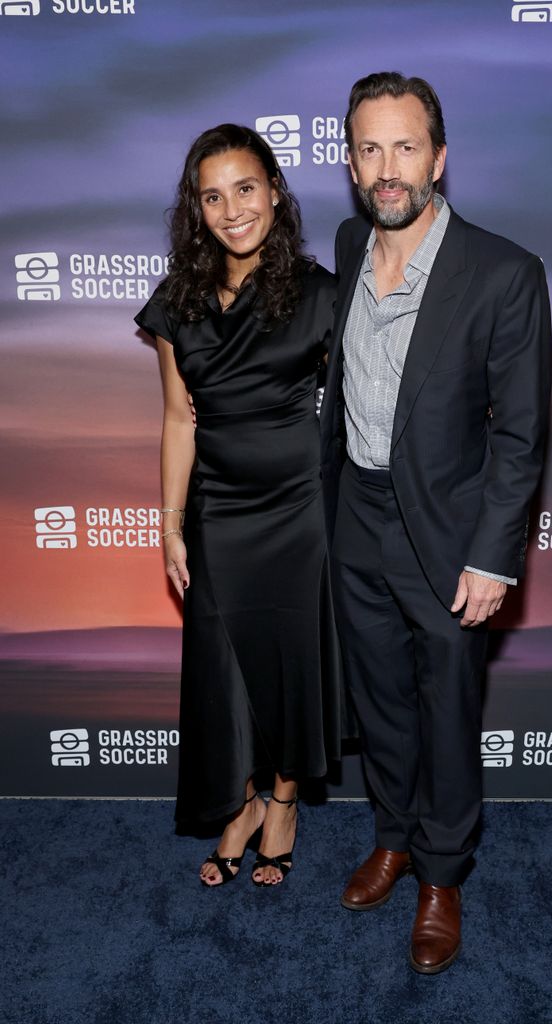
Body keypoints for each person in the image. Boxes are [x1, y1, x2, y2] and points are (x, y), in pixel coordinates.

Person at [320, 73, 552, 972]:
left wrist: (493, 557)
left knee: (447, 711)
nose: (388, 169)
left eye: (405, 146)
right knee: (379, 702)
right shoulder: (348, 242)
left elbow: (522, 435)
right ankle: (394, 835)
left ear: (440, 157)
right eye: (370, 149)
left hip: (449, 535)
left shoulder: (504, 273)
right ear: (349, 162)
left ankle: (442, 875)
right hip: (358, 518)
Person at [135, 124, 341, 888]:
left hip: (301, 514)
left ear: (276, 192)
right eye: (212, 196)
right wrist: (169, 526)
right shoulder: (175, 305)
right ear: (197, 210)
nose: (232, 210)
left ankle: (283, 802)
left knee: (293, 664)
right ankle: (242, 801)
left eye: (245, 189)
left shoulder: (322, 295)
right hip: (217, 512)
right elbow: (179, 419)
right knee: (225, 669)